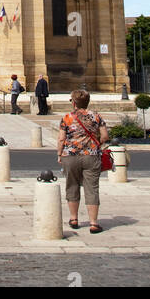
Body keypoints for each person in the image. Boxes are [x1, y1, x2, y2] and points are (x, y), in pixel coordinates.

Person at [57, 88, 110, 233]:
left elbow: (61, 139)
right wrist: (96, 144)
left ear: (73, 103)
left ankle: (74, 219)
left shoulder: (67, 118)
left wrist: (59, 154)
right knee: (92, 188)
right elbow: (105, 136)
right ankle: (93, 223)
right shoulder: (96, 117)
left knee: (72, 186)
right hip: (91, 156)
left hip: (70, 156)